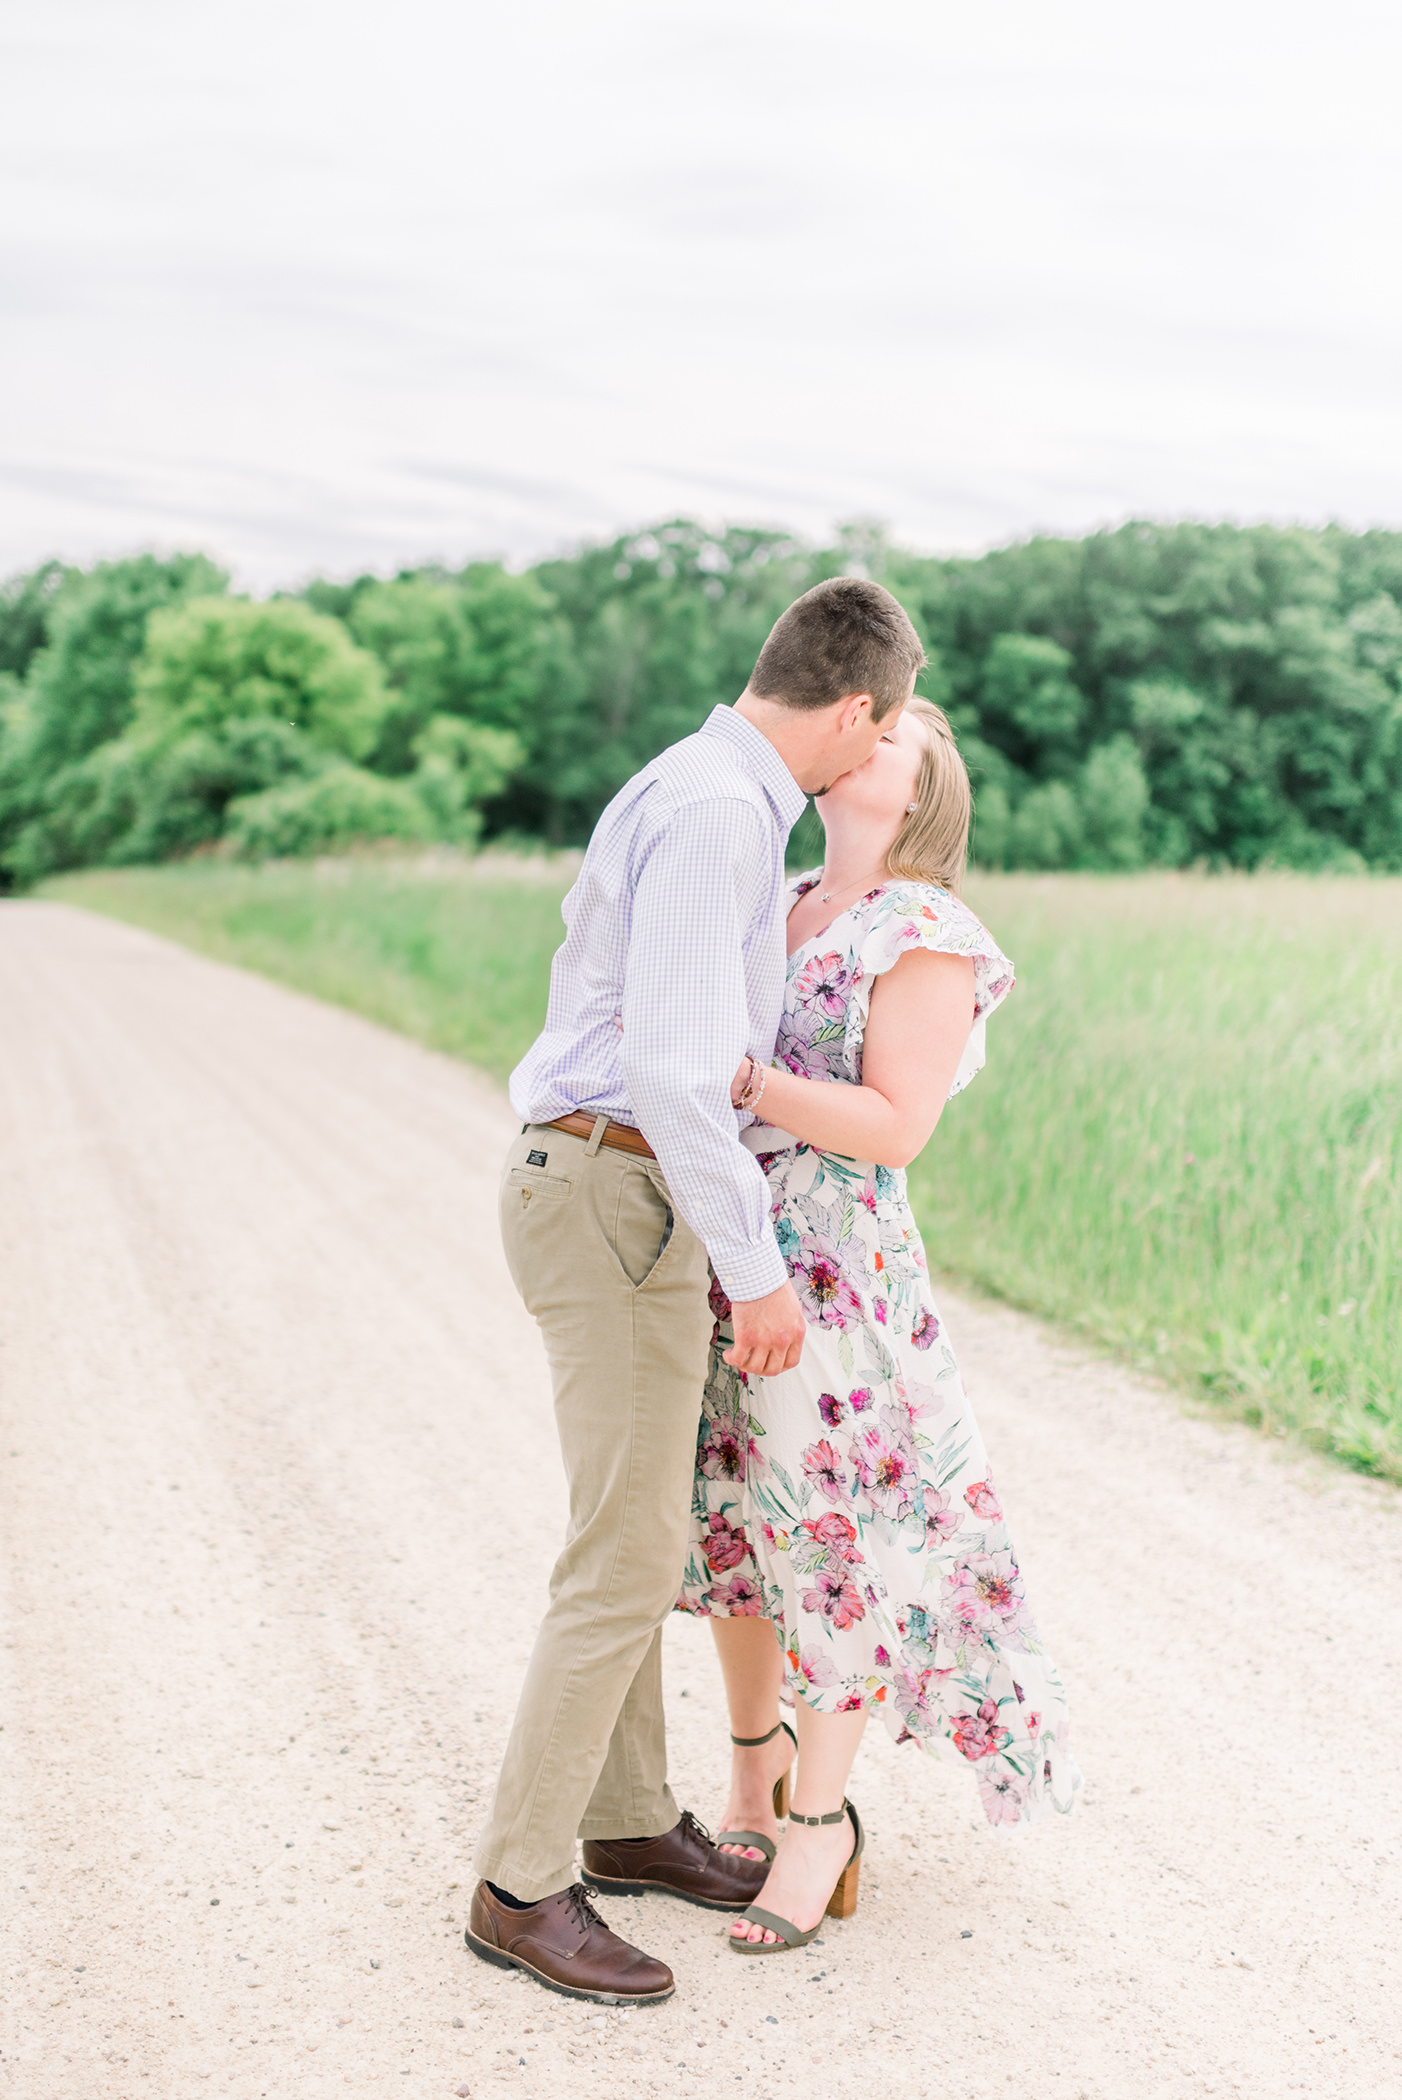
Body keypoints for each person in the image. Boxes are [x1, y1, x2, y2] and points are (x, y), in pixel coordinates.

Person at [466, 577, 927, 2003]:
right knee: (619, 1554)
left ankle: (619, 1824)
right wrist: (758, 1273)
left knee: (638, 1531)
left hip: (615, 1183)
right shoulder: (727, 812)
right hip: (612, 1185)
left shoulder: (705, 782)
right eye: (890, 728)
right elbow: (672, 1072)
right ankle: (518, 1884)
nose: (887, 756)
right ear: (853, 712)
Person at [676, 697, 1081, 1953]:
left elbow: (897, 1125)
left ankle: (819, 1824)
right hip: (728, 1252)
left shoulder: (927, 931)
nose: (867, 737)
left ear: (914, 791)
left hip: (839, 1274)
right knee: (734, 1524)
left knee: (832, 1539)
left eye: (894, 737)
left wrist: (741, 1080)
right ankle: (750, 1774)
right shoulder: (781, 894)